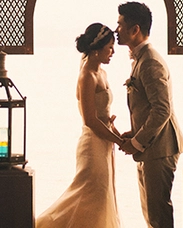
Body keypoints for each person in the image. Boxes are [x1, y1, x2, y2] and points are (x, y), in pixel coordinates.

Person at [36, 23, 123, 228]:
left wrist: (118, 136)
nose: (113, 52)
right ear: (97, 49)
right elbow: (90, 120)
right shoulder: (87, 75)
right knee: (88, 193)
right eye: (110, 47)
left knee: (101, 196)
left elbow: (104, 116)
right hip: (92, 144)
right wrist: (119, 141)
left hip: (105, 143)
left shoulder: (102, 73)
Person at [115, 1, 183, 228]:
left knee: (158, 213)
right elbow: (148, 106)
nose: (116, 30)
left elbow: (162, 109)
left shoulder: (150, 62)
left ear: (135, 29)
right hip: (151, 147)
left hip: (160, 148)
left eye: (120, 25)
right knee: (150, 212)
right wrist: (134, 132)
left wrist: (137, 142)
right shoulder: (141, 59)